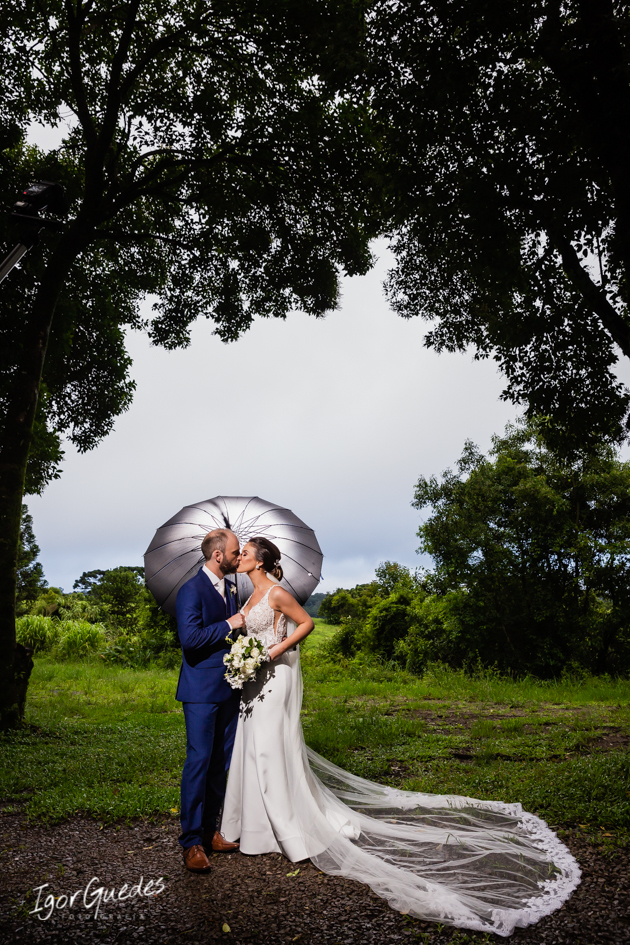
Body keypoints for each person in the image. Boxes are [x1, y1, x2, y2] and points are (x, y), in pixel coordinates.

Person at [221, 537, 581, 937]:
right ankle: (252, 825)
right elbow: (246, 633)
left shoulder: (276, 592)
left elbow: (307, 623)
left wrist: (273, 652)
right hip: (254, 681)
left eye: (246, 553)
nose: (240, 558)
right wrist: (243, 657)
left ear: (263, 559)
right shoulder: (247, 596)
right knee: (252, 747)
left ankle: (285, 826)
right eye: (239, 554)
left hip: (276, 676)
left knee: (272, 750)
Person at [175, 528, 245, 873]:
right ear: (218, 555)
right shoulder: (191, 590)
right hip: (201, 693)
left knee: (220, 764)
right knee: (200, 762)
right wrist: (229, 624)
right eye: (234, 552)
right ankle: (191, 843)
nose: (238, 557)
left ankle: (210, 831)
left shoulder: (231, 588)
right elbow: (190, 639)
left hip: (230, 689)